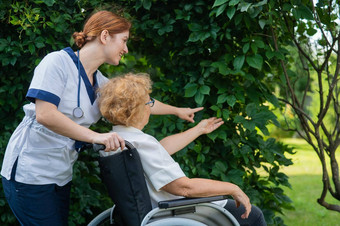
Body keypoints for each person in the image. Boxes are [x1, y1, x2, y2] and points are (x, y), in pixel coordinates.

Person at [1, 10, 203, 225]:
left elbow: (140, 102)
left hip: (60, 175)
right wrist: (96, 137)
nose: (126, 49)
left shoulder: (100, 82)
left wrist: (177, 110)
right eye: (123, 40)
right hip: (29, 173)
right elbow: (45, 114)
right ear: (105, 36)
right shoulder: (56, 63)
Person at [98, 73, 267, 226]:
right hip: (174, 213)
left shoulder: (117, 141)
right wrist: (232, 188)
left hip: (152, 213)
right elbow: (184, 188)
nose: (150, 107)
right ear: (136, 109)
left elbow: (161, 149)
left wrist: (199, 129)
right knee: (254, 216)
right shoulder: (141, 143)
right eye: (149, 102)